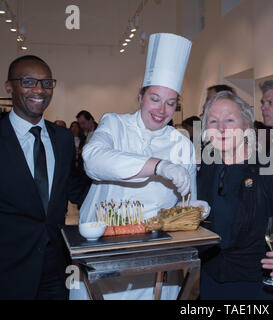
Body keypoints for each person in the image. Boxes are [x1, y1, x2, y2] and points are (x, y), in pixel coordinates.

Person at [76, 33, 198, 300]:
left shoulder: (182, 143)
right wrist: (159, 166)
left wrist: (196, 210)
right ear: (141, 96)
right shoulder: (115, 124)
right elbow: (93, 159)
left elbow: (187, 202)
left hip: (155, 259)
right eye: (155, 98)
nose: (162, 109)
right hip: (104, 252)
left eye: (171, 102)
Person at [197, 90, 273, 300]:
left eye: (229, 120)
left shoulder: (270, 170)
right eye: (213, 121)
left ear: (247, 126)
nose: (221, 128)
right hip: (211, 274)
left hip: (252, 280)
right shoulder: (207, 169)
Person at [0, 55, 86, 299]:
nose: (39, 90)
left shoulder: (62, 138)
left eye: (47, 83)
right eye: (28, 82)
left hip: (55, 267)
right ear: (9, 87)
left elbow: (76, 188)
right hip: (8, 268)